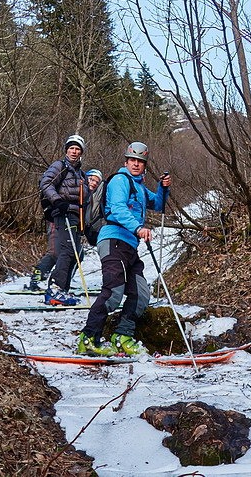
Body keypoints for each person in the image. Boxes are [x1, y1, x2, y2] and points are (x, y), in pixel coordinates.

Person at [76, 141, 170, 356]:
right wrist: (138, 228)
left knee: (141, 294)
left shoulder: (139, 186)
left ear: (144, 165)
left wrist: (163, 188)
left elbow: (158, 204)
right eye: (133, 160)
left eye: (140, 162)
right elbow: (117, 209)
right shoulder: (120, 180)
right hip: (112, 241)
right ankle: (88, 339)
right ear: (126, 161)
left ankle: (122, 336)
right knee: (113, 293)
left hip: (129, 246)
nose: (136, 164)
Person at [30, 135, 90, 305]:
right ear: (66, 150)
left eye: (77, 149)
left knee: (76, 253)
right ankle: (55, 289)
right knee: (67, 251)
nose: (74, 151)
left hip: (75, 216)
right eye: (71, 148)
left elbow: (85, 198)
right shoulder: (60, 166)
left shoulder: (81, 173)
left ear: (81, 152)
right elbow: (46, 183)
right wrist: (57, 201)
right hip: (62, 213)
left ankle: (63, 290)